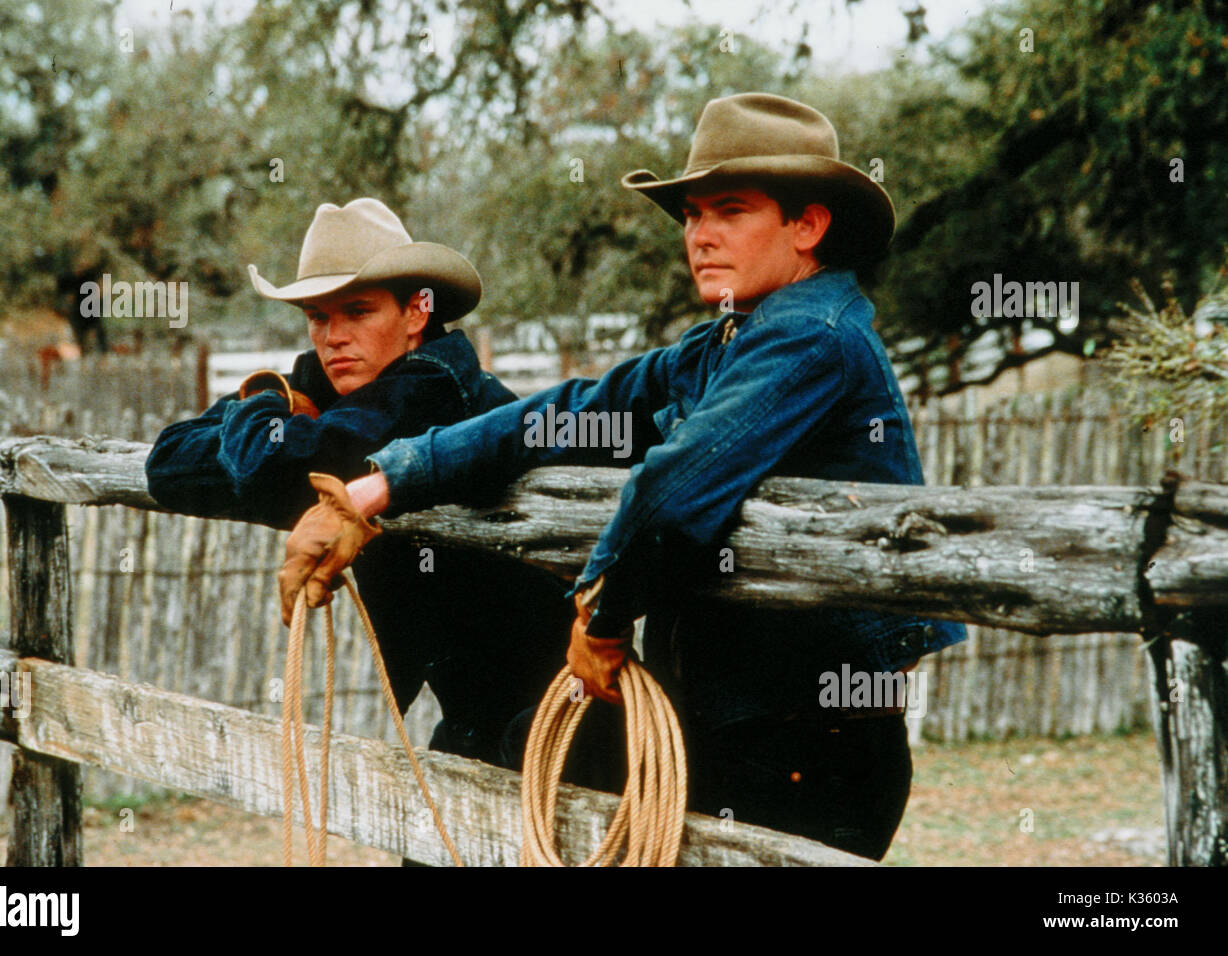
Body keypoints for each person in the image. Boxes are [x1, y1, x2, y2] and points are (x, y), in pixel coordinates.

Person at [277, 96, 968, 860]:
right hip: (742, 728)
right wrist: (377, 487)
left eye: (729, 211)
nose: (700, 236)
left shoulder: (810, 341)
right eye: (691, 216)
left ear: (807, 227)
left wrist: (601, 623)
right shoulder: (722, 346)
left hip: (810, 744)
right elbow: (565, 410)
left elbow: (673, 489)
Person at [145, 198, 571, 768]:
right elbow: (167, 464)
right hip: (480, 723)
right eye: (318, 317)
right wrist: (277, 401)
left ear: (417, 313)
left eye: (358, 311)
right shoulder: (341, 382)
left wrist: (265, 403)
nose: (333, 337)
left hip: (557, 720)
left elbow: (276, 469)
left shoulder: (433, 389)